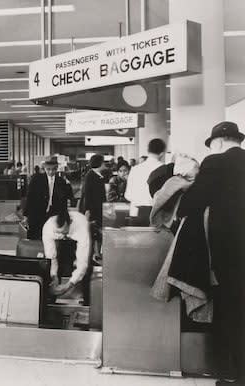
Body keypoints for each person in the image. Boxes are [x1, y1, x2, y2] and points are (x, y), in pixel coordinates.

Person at [177, 121, 245, 386]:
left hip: (229, 250)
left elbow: (193, 204)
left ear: (216, 143)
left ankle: (235, 375)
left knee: (230, 309)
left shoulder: (214, 163)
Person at [42, 210, 91, 296]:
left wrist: (69, 285)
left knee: (86, 268)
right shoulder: (48, 227)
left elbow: (82, 262)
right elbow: (51, 256)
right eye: (59, 232)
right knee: (58, 265)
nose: (62, 234)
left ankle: (85, 296)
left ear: (70, 223)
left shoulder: (82, 226)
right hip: (60, 244)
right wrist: (54, 276)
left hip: (77, 238)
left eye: (64, 232)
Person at [23, 156, 72, 240]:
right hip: (37, 212)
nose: (50, 171)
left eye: (53, 169)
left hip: (53, 214)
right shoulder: (36, 179)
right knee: (36, 236)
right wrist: (26, 215)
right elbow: (30, 197)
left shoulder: (61, 181)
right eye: (48, 169)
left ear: (57, 168)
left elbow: (64, 201)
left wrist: (65, 217)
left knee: (51, 237)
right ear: (44, 168)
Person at [125, 139, 166, 220]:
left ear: (148, 151)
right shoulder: (165, 169)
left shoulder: (135, 169)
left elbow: (128, 195)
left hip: (135, 212)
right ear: (162, 153)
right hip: (156, 214)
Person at [79, 154, 107, 258]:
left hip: (97, 208)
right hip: (93, 209)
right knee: (92, 232)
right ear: (99, 163)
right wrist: (87, 210)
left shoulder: (97, 175)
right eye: (103, 162)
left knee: (96, 232)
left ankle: (96, 253)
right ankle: (90, 256)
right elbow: (87, 194)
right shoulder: (91, 176)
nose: (105, 164)